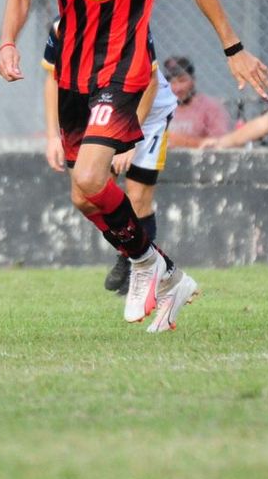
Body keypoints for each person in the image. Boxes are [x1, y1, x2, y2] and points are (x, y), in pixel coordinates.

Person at [0, 0, 268, 332]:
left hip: (125, 66)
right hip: (75, 72)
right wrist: (8, 42)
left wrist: (233, 47)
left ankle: (146, 265)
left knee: (90, 176)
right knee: (84, 194)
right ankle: (162, 268)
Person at [42, 17, 178, 297]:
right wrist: (53, 135)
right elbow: (53, 80)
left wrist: (129, 139)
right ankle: (133, 253)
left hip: (148, 112)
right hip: (104, 108)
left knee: (138, 196)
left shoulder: (128, 22)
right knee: (86, 193)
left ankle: (142, 269)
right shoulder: (61, 27)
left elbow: (150, 82)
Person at [161, 56, 232, 147]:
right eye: (172, 82)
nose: (177, 88)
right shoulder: (159, 108)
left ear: (193, 80)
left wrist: (180, 141)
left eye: (182, 80)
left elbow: (220, 143)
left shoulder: (210, 107)